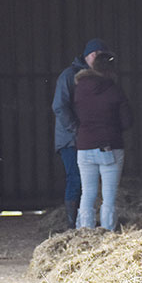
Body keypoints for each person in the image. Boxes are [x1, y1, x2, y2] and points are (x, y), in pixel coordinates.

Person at [52, 38, 112, 228]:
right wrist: (77, 130)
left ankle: (81, 223)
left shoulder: (97, 76)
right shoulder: (69, 76)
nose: (97, 59)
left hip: (87, 138)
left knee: (87, 181)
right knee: (76, 178)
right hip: (71, 139)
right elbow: (59, 107)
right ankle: (72, 225)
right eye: (96, 55)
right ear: (89, 55)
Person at [73, 47, 133, 231]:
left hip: (84, 146)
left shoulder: (80, 87)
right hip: (110, 146)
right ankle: (107, 232)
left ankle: (85, 232)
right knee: (109, 196)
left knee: (87, 193)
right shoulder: (114, 90)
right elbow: (127, 121)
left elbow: (74, 114)